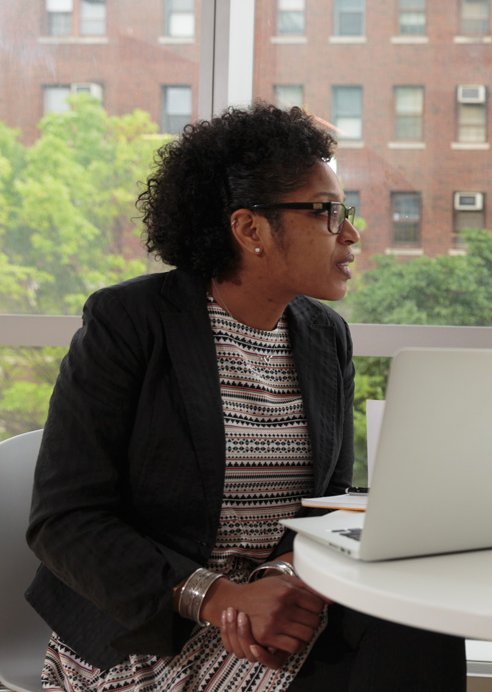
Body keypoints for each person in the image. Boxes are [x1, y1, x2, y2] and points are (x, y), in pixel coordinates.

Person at [26, 102, 466, 692]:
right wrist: (219, 598)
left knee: (419, 612)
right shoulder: (131, 322)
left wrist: (283, 574)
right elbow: (65, 520)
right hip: (152, 628)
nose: (353, 234)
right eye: (328, 213)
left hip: (275, 606)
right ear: (250, 229)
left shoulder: (323, 335)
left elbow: (323, 504)